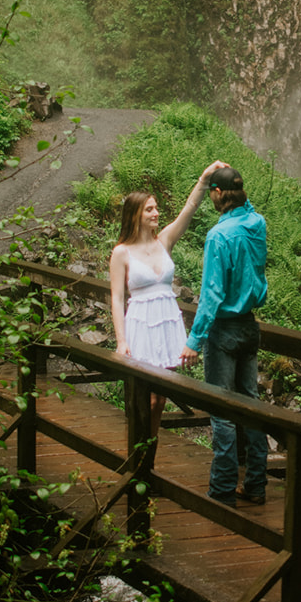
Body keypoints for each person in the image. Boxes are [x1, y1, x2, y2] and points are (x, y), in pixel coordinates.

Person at [109, 161, 225, 434]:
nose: (156, 213)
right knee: (145, 398)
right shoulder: (122, 253)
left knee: (160, 398)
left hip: (165, 323)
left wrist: (204, 179)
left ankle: (149, 451)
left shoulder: (164, 241)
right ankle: (137, 449)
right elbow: (116, 298)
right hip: (141, 325)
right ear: (135, 214)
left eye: (156, 207)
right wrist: (121, 340)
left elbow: (189, 209)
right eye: (149, 209)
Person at [179, 164, 269, 507]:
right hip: (249, 325)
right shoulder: (256, 223)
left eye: (212, 193)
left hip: (225, 330)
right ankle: (257, 485)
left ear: (217, 193)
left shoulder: (219, 236)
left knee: (223, 413)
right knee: (251, 405)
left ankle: (222, 491)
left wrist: (193, 341)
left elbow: (212, 294)